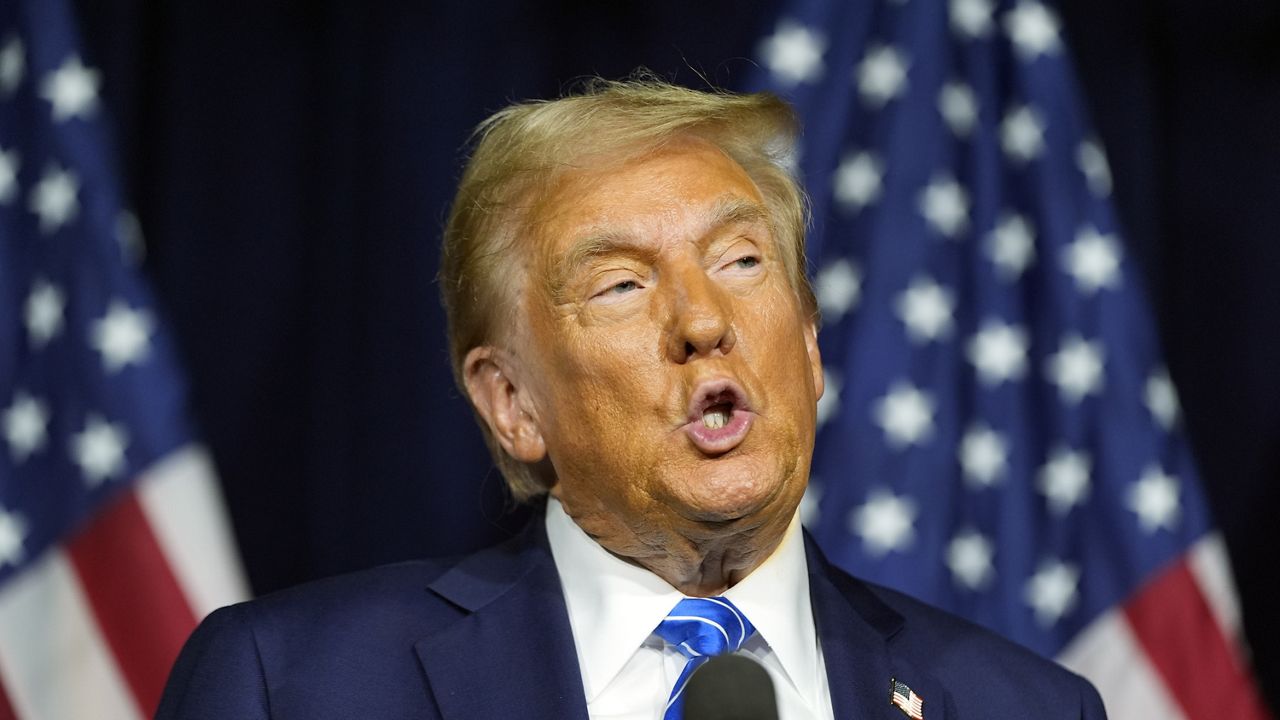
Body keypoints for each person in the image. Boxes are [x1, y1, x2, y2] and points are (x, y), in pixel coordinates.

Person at [156, 78, 1107, 720]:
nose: (702, 320)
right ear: (512, 402)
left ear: (810, 346)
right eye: (619, 284)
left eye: (741, 261)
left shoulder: (1024, 706)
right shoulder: (295, 686)